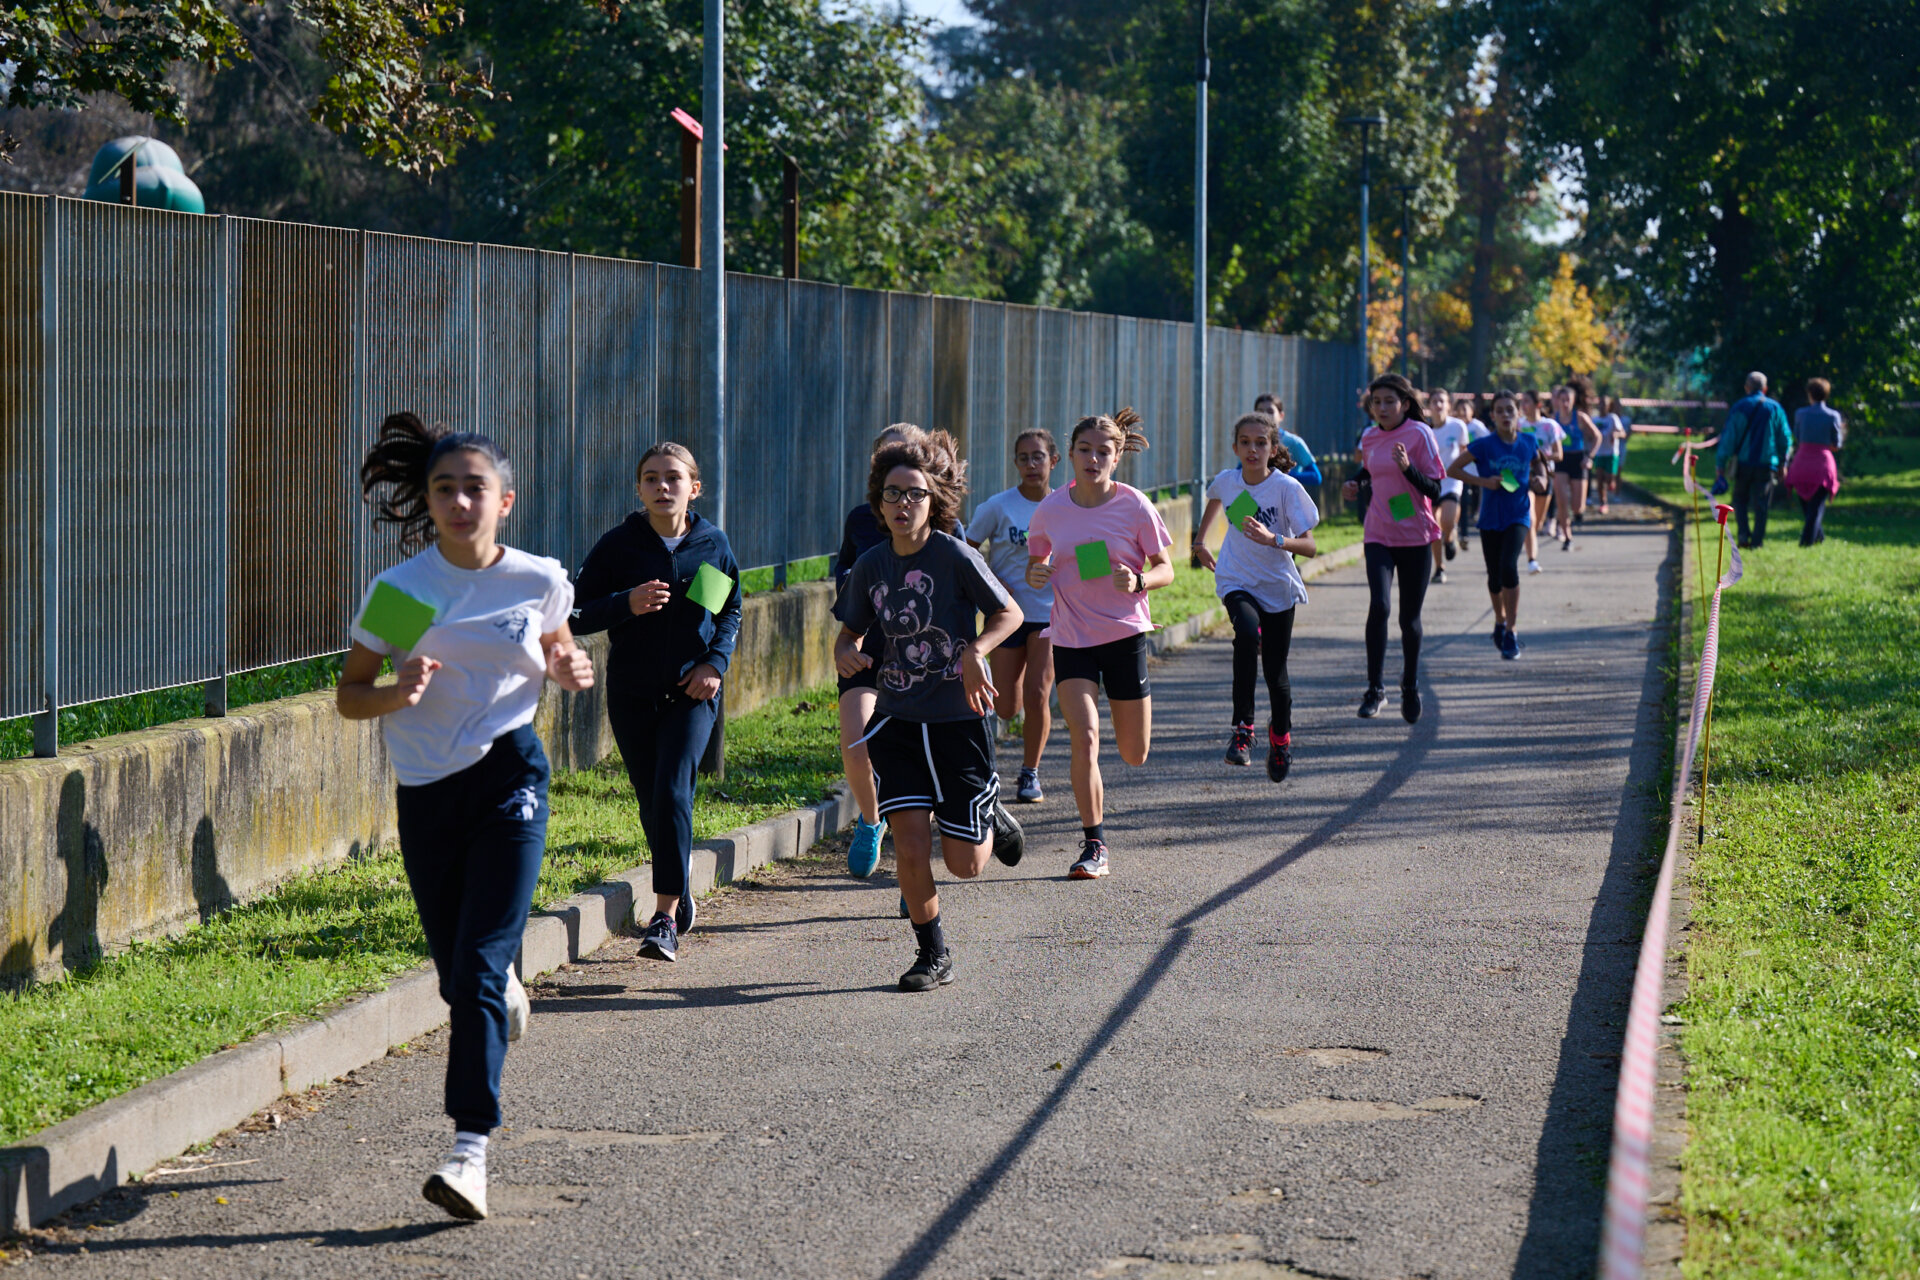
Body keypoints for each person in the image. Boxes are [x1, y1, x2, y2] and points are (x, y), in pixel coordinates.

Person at [338, 413, 595, 1222]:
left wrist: (569, 664)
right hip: (427, 789)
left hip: (511, 777)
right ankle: (498, 990)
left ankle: (469, 1152)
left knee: (477, 970)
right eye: (444, 488)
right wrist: (397, 692)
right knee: (460, 977)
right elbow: (351, 695)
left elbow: (556, 646)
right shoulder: (412, 593)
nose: (458, 501)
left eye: (473, 488)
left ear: (504, 501)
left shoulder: (535, 580)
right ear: (429, 499)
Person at [833, 427, 1026, 992]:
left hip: (959, 720)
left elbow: (1009, 614)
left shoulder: (955, 555)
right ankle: (932, 954)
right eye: (892, 494)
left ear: (933, 499)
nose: (902, 504)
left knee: (965, 864)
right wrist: (846, 651)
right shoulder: (871, 564)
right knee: (911, 844)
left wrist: (976, 651)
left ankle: (989, 809)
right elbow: (850, 631)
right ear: (878, 501)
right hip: (897, 721)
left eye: (914, 493)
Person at [572, 443, 741, 965]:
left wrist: (714, 664)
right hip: (632, 694)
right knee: (654, 801)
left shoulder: (710, 544)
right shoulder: (621, 546)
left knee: (670, 791)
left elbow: (728, 607)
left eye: (673, 478)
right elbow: (576, 612)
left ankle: (664, 914)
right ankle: (680, 880)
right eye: (651, 478)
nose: (662, 486)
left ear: (694, 487)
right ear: (639, 489)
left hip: (692, 693)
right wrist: (626, 602)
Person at [1026, 408, 1175, 880]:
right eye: (1085, 450)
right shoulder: (1050, 509)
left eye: (1103, 452)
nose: (1093, 458)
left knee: (1134, 752)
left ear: (1116, 459)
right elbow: (1036, 563)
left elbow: (1166, 568)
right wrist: (1036, 573)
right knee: (1085, 736)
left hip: (1125, 632)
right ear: (1069, 455)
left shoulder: (1135, 506)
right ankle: (1095, 843)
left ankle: (1100, 824)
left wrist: (1139, 581)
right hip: (1071, 637)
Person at [1192, 413, 1319, 780]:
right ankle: (1242, 731)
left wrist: (1275, 539)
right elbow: (1215, 501)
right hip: (1237, 580)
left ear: (1273, 449)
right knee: (1246, 635)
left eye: (1261, 442)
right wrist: (1200, 542)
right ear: (1235, 448)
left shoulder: (1286, 489)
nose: (1252, 449)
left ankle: (1280, 738)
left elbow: (1309, 546)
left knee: (1276, 675)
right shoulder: (1227, 482)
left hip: (1277, 586)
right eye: (1245, 442)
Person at [1341, 374, 1445, 723]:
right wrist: (1356, 482)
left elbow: (1435, 489)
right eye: (1376, 402)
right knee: (1380, 606)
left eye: (1389, 401)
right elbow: (1370, 469)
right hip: (1379, 533)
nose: (1382, 408)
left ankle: (1410, 684)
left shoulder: (1419, 434)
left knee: (1408, 619)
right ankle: (1374, 689)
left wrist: (1408, 468)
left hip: (1415, 536)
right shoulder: (1369, 436)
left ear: (1403, 402)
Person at [833, 426, 914, 877]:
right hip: (865, 649)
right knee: (857, 741)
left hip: (920, 658)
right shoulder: (859, 518)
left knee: (912, 766)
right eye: (881, 457)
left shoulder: (942, 523)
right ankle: (870, 819)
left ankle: (912, 867)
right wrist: (848, 593)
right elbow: (844, 564)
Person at [967, 430, 1059, 803]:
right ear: (1015, 463)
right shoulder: (997, 506)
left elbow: (1088, 551)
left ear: (1054, 460)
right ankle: (1007, 728)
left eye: (1038, 457)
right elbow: (966, 551)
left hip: (1051, 612)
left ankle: (1029, 772)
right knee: (1006, 705)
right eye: (1023, 458)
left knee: (1039, 693)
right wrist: (993, 580)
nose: (1031, 465)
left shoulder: (1066, 506)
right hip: (1006, 614)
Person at [1448, 391, 1550, 660]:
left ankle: (1512, 631)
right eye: (1500, 411)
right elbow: (1453, 470)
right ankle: (1500, 619)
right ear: (1492, 416)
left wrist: (1541, 481)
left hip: (1518, 515)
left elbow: (1540, 467)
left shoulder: (1528, 442)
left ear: (1519, 414)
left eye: (1510, 410)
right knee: (1494, 577)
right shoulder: (1484, 445)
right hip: (1490, 518)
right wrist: (1485, 482)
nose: (1506, 415)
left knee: (1508, 567)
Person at [1715, 371, 1793, 549]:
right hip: (1766, 465)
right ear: (1765, 389)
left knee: (1740, 500)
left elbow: (1729, 438)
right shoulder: (1775, 409)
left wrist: (1720, 464)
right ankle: (1757, 542)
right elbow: (1785, 438)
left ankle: (1743, 534)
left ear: (1746, 387)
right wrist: (1784, 462)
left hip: (1743, 464)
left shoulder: (1739, 407)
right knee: (1762, 503)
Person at [1785, 377, 1844, 546]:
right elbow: (1836, 444)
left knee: (1808, 507)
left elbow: (1797, 436)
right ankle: (1807, 541)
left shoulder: (1800, 414)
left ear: (1810, 393)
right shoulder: (1833, 416)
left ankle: (1817, 537)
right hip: (1822, 464)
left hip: (1802, 461)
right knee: (1816, 506)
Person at [1548, 378, 1604, 550]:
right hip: (1561, 462)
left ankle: (1573, 517)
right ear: (1557, 401)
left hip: (1578, 461)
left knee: (1577, 507)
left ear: (1573, 401)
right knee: (1562, 501)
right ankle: (1567, 537)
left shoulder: (1580, 418)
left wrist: (1590, 457)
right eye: (1561, 400)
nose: (1564, 404)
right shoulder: (1552, 419)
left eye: (1568, 401)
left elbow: (1597, 437)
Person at [1425, 388, 1474, 583]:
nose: (1438, 405)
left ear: (1448, 405)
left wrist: (1463, 470)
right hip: (1431, 482)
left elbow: (1464, 451)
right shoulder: (1425, 430)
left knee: (1446, 519)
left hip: (1452, 480)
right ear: (1429, 407)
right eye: (1434, 401)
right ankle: (1439, 567)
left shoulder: (1458, 426)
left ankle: (1450, 538)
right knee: (1432, 526)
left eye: (1442, 401)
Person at [1517, 390, 1562, 574]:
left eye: (1527, 401)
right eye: (1522, 402)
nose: (1523, 405)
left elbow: (1559, 454)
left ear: (1538, 405)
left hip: (1545, 477)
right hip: (1526, 477)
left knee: (1538, 523)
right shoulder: (1519, 425)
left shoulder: (1550, 425)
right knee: (1530, 517)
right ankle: (1532, 561)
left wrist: (1541, 457)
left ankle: (1528, 545)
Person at [1253, 392, 1324, 491]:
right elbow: (1241, 471)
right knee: (1236, 507)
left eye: (1270, 411)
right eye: (1260, 411)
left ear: (1281, 416)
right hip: (1256, 495)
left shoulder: (1293, 442)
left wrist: (1284, 474)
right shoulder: (1249, 442)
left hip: (1283, 498)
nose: (1264, 415)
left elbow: (1316, 477)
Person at [1590, 396, 1626, 513]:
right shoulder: (1594, 420)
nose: (1602, 406)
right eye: (1600, 404)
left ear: (1609, 406)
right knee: (1599, 480)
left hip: (1611, 453)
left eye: (1604, 404)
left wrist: (1616, 435)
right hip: (1599, 453)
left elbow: (1623, 433)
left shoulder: (1612, 418)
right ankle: (1603, 503)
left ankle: (1612, 481)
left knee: (1608, 478)